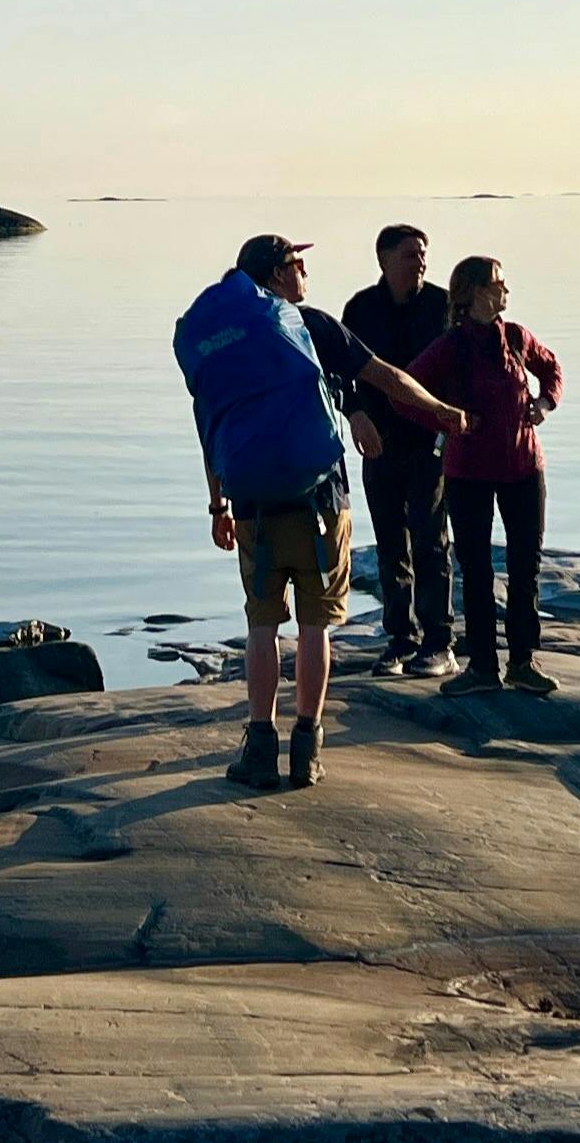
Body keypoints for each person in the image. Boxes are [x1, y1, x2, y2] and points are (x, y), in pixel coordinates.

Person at [173, 232, 466, 790]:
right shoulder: (311, 325)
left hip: (253, 502)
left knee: (261, 626)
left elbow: (209, 427)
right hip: (321, 500)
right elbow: (387, 378)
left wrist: (218, 505)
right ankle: (306, 748)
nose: (305, 270)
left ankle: (259, 745)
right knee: (315, 628)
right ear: (278, 275)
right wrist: (440, 411)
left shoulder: (221, 342)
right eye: (296, 262)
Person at [412, 254, 565, 694]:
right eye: (499, 283)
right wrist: (445, 419)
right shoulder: (450, 346)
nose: (506, 290)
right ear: (477, 291)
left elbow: (552, 368)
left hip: (523, 469)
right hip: (468, 474)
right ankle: (481, 667)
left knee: (525, 567)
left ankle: (522, 661)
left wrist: (544, 404)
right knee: (476, 570)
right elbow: (406, 392)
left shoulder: (516, 337)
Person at [338, 224, 455, 677]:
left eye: (423, 254)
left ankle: (439, 642)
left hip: (429, 443)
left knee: (430, 540)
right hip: (379, 442)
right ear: (384, 260)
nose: (420, 261)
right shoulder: (361, 308)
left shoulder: (442, 306)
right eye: (410, 255)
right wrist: (354, 414)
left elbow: (457, 370)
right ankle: (400, 640)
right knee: (390, 544)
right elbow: (340, 371)